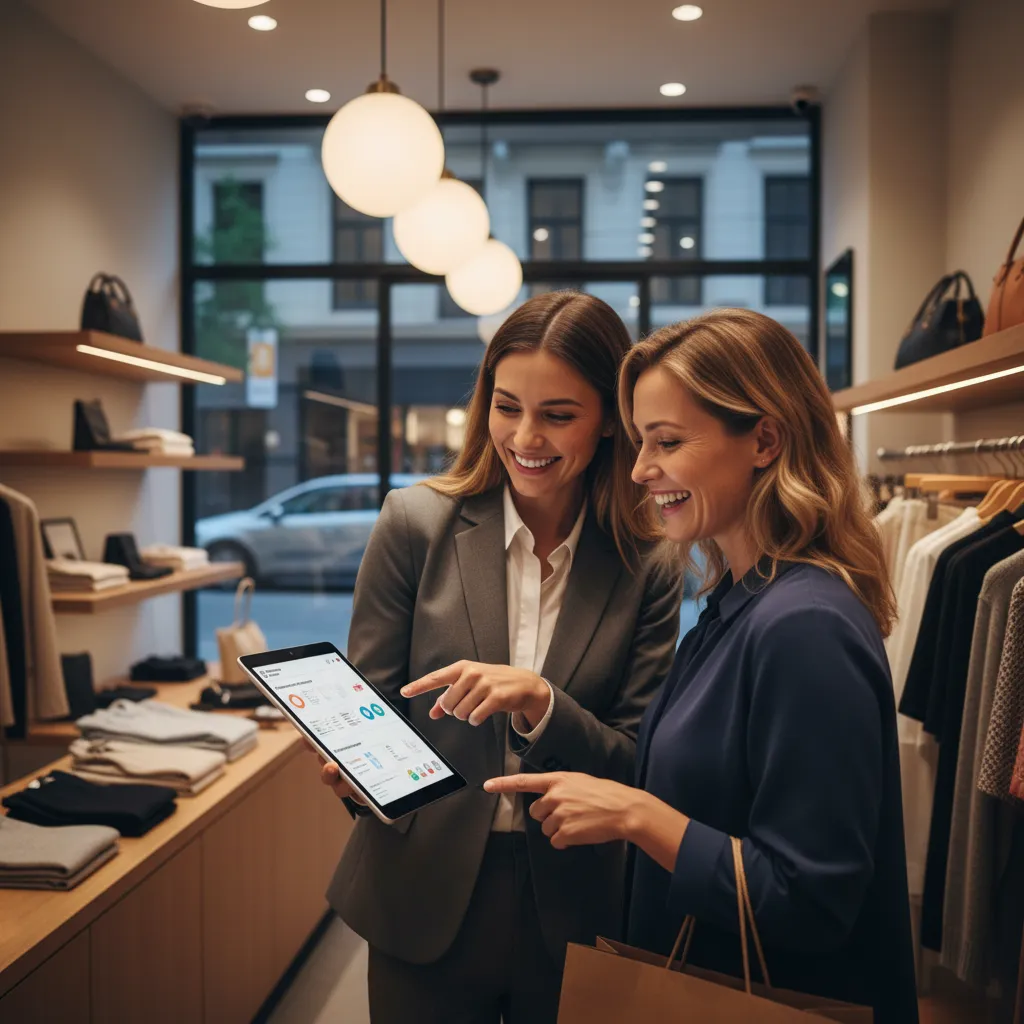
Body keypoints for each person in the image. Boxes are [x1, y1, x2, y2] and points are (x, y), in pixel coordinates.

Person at [487, 309, 920, 1023]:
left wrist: (635, 814)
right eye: (636, 442)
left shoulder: (804, 627)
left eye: (668, 442)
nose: (640, 470)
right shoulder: (736, 602)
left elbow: (811, 900)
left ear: (766, 439)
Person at [318, 291, 681, 1024]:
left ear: (609, 418)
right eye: (507, 406)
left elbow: (636, 759)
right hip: (420, 891)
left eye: (558, 414)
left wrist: (544, 704)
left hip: (576, 902)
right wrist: (354, 767)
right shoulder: (415, 522)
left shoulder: (649, 563)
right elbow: (371, 708)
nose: (525, 436)